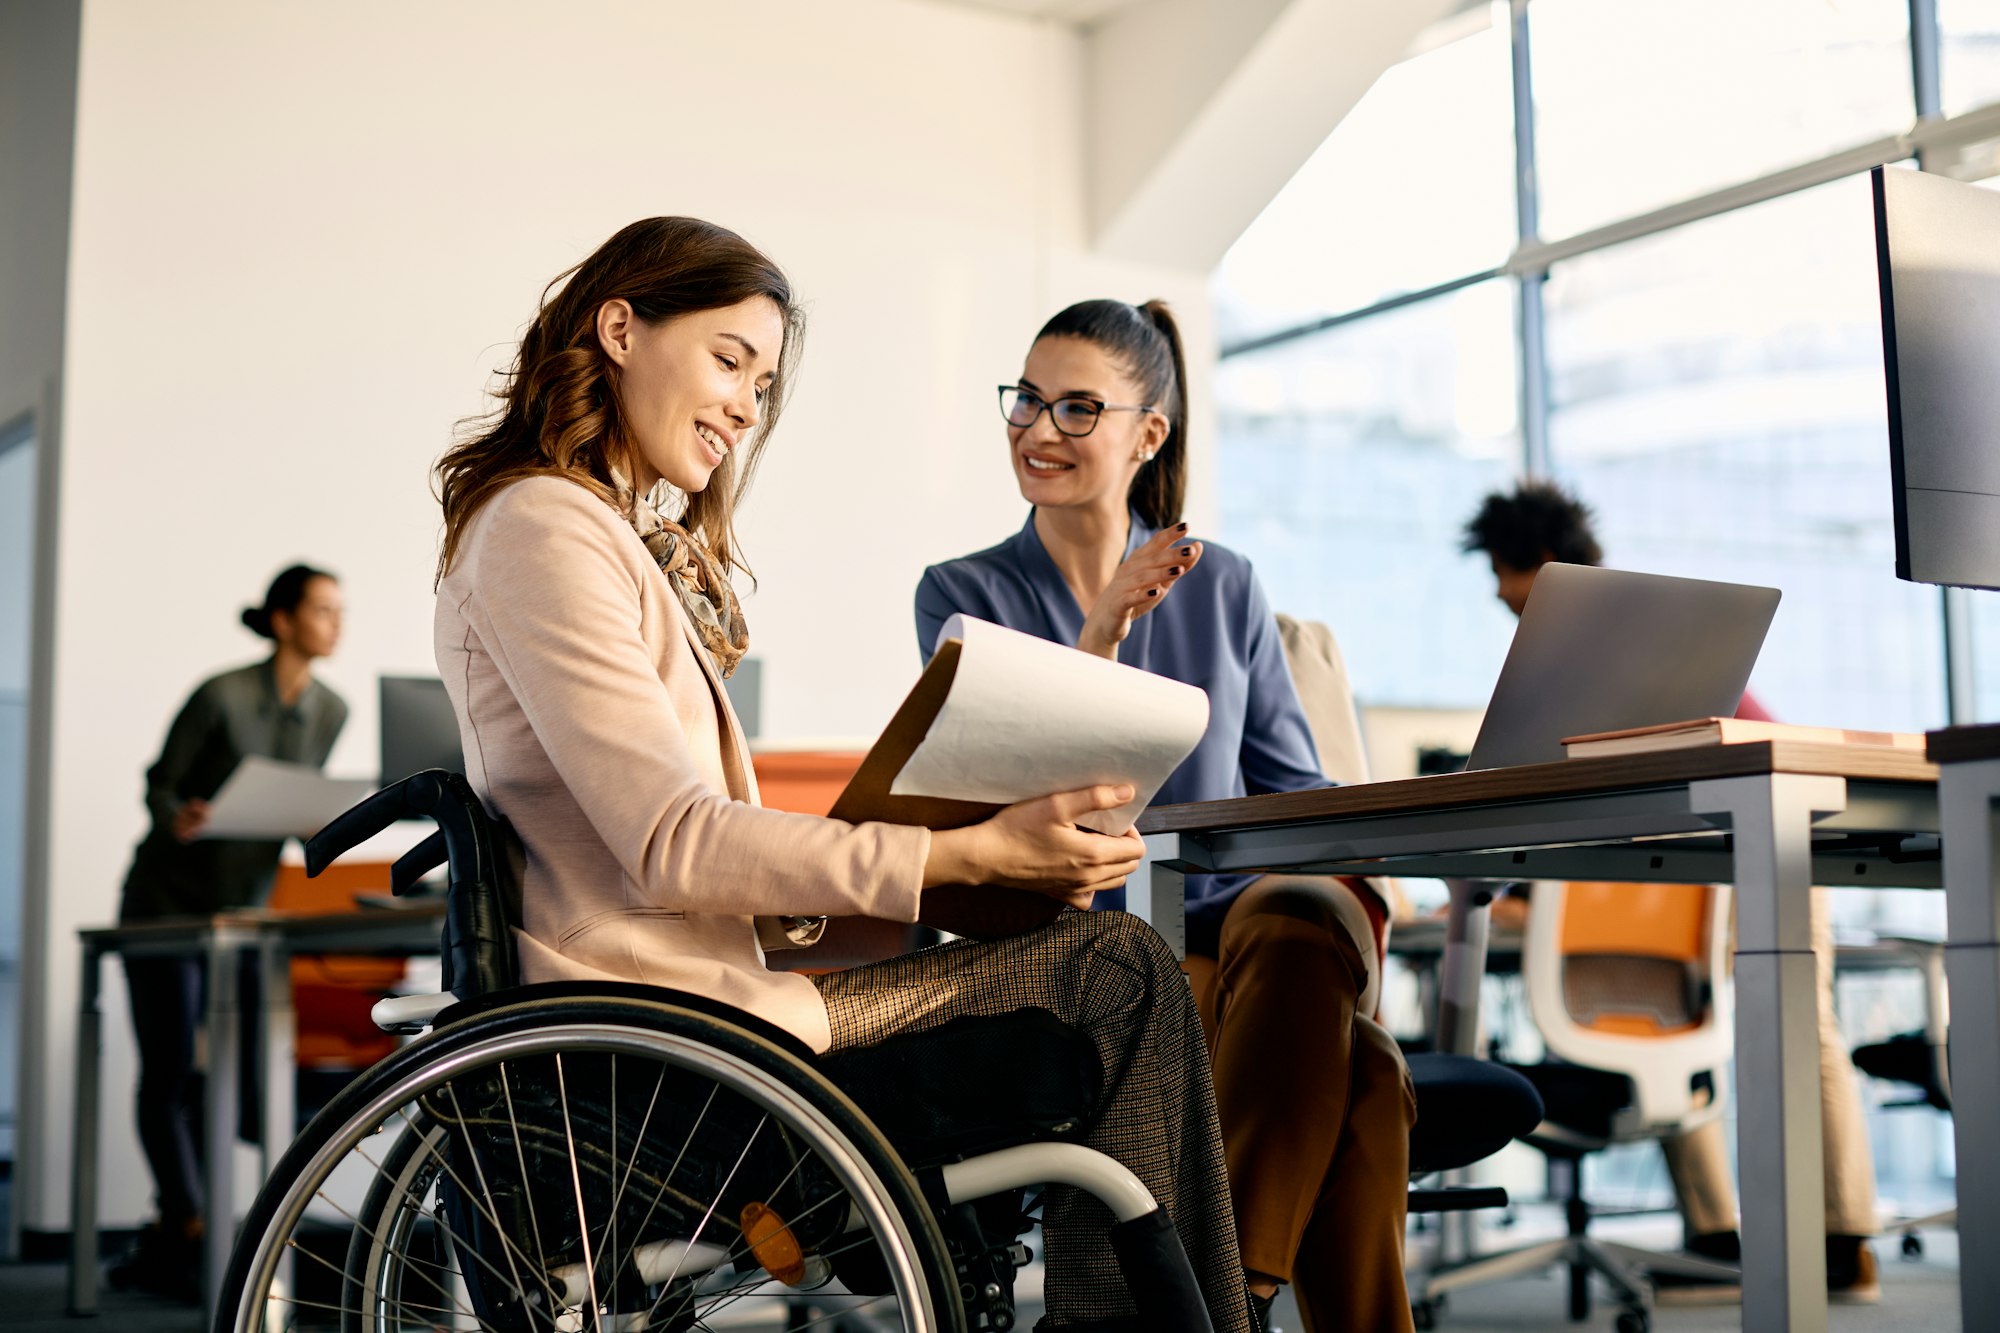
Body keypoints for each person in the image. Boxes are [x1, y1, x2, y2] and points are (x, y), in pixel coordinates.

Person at [430, 218, 1252, 1333]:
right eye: (728, 360)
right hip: (663, 1049)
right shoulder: (544, 528)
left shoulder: (595, 533)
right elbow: (673, 841)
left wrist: (972, 869)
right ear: (619, 329)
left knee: (1105, 964)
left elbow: (679, 849)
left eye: (762, 386)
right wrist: (958, 855)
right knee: (1115, 972)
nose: (742, 407)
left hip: (701, 1012)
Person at [915, 299, 1416, 1333]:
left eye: (1075, 407)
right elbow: (1005, 823)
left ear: (1148, 434)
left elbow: (1293, 785)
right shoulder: (961, 596)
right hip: (1085, 947)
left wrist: (1371, 861)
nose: (1036, 428)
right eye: (1026, 400)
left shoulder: (1221, 582)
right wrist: (1096, 639)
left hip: (1245, 941)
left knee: (1292, 921)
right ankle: (1231, 1304)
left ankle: (1224, 1304)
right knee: (1364, 1074)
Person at [1462, 479, 1880, 1304]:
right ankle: (1725, 1231)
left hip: (1776, 821)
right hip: (1711, 850)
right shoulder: (1635, 637)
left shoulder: (1598, 645)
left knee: (1802, 1025)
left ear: (1541, 568)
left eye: (1504, 575)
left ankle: (1842, 1241)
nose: (1499, 597)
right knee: (1683, 1019)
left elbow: (1555, 788)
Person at [110, 564, 348, 1300]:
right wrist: (175, 811)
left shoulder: (331, 708)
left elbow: (291, 797)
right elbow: (160, 782)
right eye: (321, 609)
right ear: (281, 619)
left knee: (243, 1073)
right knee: (172, 1064)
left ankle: (208, 1216)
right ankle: (184, 1216)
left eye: (342, 611)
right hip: (167, 903)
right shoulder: (221, 695)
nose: (336, 622)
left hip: (245, 911)